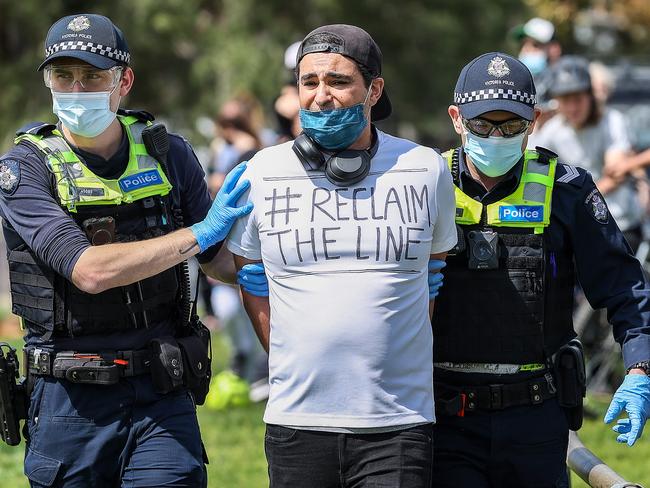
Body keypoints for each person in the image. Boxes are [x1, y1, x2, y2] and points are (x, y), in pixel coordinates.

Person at [0, 13, 254, 487]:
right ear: (48, 81)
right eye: (63, 75)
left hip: (160, 391)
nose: (77, 89)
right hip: (68, 403)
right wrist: (199, 233)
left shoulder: (169, 153)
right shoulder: (24, 169)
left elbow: (218, 260)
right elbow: (89, 271)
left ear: (124, 81)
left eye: (93, 75)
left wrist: (275, 263)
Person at [227, 24, 457, 487]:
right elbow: (249, 276)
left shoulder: (425, 168)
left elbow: (433, 274)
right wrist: (292, 356)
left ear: (374, 90)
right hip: (297, 420)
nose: (320, 95)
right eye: (309, 82)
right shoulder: (262, 171)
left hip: (398, 422)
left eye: (337, 81)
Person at [429, 52, 650, 487]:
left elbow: (624, 286)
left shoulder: (568, 188)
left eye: (510, 125)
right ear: (457, 118)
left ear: (533, 120)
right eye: (482, 124)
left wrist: (641, 369)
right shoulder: (424, 182)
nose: (495, 136)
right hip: (445, 418)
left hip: (537, 420)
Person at [530, 55, 645, 251]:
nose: (573, 107)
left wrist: (575, 199)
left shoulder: (612, 122)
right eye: (566, 100)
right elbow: (533, 168)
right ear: (556, 100)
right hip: (574, 225)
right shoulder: (552, 131)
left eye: (578, 99)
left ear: (590, 95)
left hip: (618, 224)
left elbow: (615, 174)